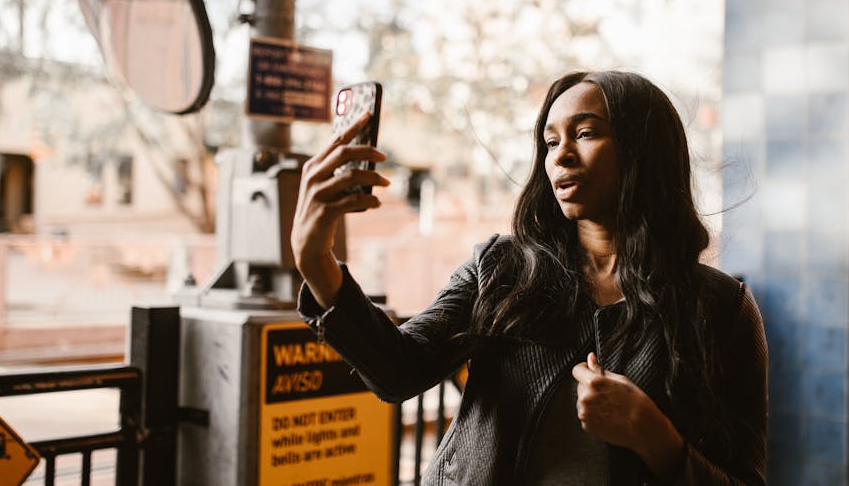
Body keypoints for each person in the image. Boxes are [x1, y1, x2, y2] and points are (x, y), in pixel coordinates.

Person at [291, 70, 767, 485]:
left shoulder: (720, 308)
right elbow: (395, 371)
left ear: (644, 151)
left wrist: (655, 437)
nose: (560, 156)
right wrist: (316, 261)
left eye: (584, 133)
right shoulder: (501, 269)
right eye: (551, 141)